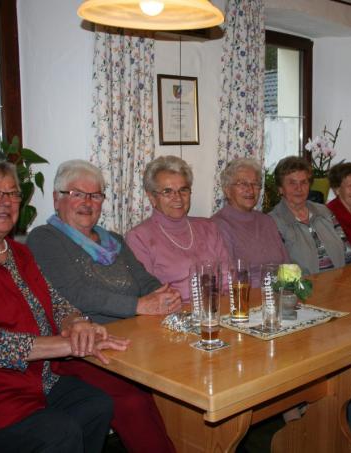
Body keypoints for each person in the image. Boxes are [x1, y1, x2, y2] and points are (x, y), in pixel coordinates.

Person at [0, 160, 129, 452]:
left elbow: (55, 301)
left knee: (97, 404)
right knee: (58, 433)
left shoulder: (18, 252)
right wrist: (67, 346)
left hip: (30, 380)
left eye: (13, 194)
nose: (6, 202)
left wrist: (75, 323)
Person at [27, 160, 179, 453]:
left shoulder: (114, 241)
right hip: (84, 348)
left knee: (175, 379)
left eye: (95, 195)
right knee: (133, 400)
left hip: (135, 337)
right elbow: (76, 293)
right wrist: (139, 305)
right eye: (77, 194)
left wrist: (163, 294)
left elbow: (144, 280)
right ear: (58, 198)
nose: (87, 202)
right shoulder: (44, 238)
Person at [126, 156, 231, 301]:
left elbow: (227, 279)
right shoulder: (139, 237)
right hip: (174, 316)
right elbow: (149, 295)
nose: (178, 198)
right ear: (151, 197)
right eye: (167, 192)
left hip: (217, 310)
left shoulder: (209, 228)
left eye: (183, 190)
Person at [269, 156, 351, 276]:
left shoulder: (324, 211)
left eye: (303, 182)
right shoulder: (273, 222)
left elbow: (349, 253)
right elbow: (278, 270)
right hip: (304, 291)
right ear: (280, 188)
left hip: (340, 285)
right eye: (292, 183)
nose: (299, 188)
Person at [212, 158, 290, 286]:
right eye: (242, 184)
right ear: (227, 190)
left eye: (255, 184)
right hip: (249, 297)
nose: (250, 189)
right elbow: (230, 278)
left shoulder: (267, 220)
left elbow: (286, 264)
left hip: (281, 294)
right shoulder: (218, 225)